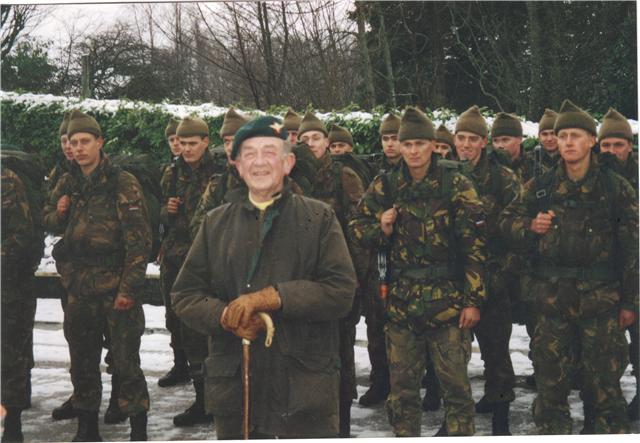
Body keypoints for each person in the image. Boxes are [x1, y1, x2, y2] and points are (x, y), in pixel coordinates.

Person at [171, 115, 357, 439]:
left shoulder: (319, 218)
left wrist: (275, 296)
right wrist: (226, 315)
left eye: (269, 152)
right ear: (238, 165)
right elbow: (185, 294)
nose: (259, 163)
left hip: (304, 393)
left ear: (288, 162)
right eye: (249, 154)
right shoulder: (215, 223)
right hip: (237, 391)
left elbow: (341, 291)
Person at [498, 99, 638, 434]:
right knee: (550, 394)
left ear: (592, 140)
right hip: (552, 304)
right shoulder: (541, 186)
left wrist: (631, 303)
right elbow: (504, 223)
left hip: (601, 304)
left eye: (577, 135)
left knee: (605, 394)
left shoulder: (614, 188)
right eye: (563, 136)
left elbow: (633, 250)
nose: (569, 142)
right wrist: (530, 225)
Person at [350, 107, 487, 437]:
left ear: (433, 145)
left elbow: (476, 247)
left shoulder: (456, 184)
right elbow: (356, 227)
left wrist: (473, 301)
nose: (413, 151)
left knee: (456, 390)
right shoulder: (386, 184)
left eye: (420, 144)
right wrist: (380, 227)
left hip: (449, 303)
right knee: (403, 394)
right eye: (407, 144)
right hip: (401, 304)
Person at [43, 109, 151, 441]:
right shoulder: (67, 181)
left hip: (115, 285)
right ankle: (87, 428)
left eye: (85, 141)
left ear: (100, 142)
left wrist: (128, 289)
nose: (78, 148)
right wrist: (58, 212)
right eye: (73, 142)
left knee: (126, 362)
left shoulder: (121, 182)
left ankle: (137, 429)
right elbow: (47, 220)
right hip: (79, 287)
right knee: (82, 361)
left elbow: (139, 242)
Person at [454, 105, 522, 435]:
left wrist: (501, 277)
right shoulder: (445, 174)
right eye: (460, 137)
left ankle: (500, 419)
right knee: (452, 356)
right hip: (454, 280)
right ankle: (453, 420)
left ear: (484, 142)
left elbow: (518, 231)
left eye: (472, 138)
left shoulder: (503, 179)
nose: (465, 144)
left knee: (496, 353)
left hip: (493, 278)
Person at [298, 110, 365, 437]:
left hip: (337, 279)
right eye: (303, 139)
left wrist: (355, 283)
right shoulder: (292, 177)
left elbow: (360, 232)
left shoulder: (344, 177)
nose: (309, 143)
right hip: (302, 282)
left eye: (315, 137)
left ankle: (342, 426)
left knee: (340, 355)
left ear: (327, 142)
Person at [158, 116, 218, 426]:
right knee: (185, 330)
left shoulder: (221, 171)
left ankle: (220, 397)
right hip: (179, 262)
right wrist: (166, 212)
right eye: (183, 144)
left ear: (206, 141)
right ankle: (202, 399)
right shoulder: (171, 172)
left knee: (211, 332)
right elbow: (162, 217)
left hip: (210, 262)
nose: (187, 149)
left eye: (194, 143)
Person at [596, 107, 639, 422]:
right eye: (605, 145)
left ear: (629, 146)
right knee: (603, 347)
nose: (611, 151)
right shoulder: (590, 178)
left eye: (618, 145)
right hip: (602, 274)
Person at [1, 167, 37, 443]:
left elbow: (20, 234)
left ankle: (13, 424)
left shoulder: (7, 181)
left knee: (10, 356)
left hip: (9, 285)